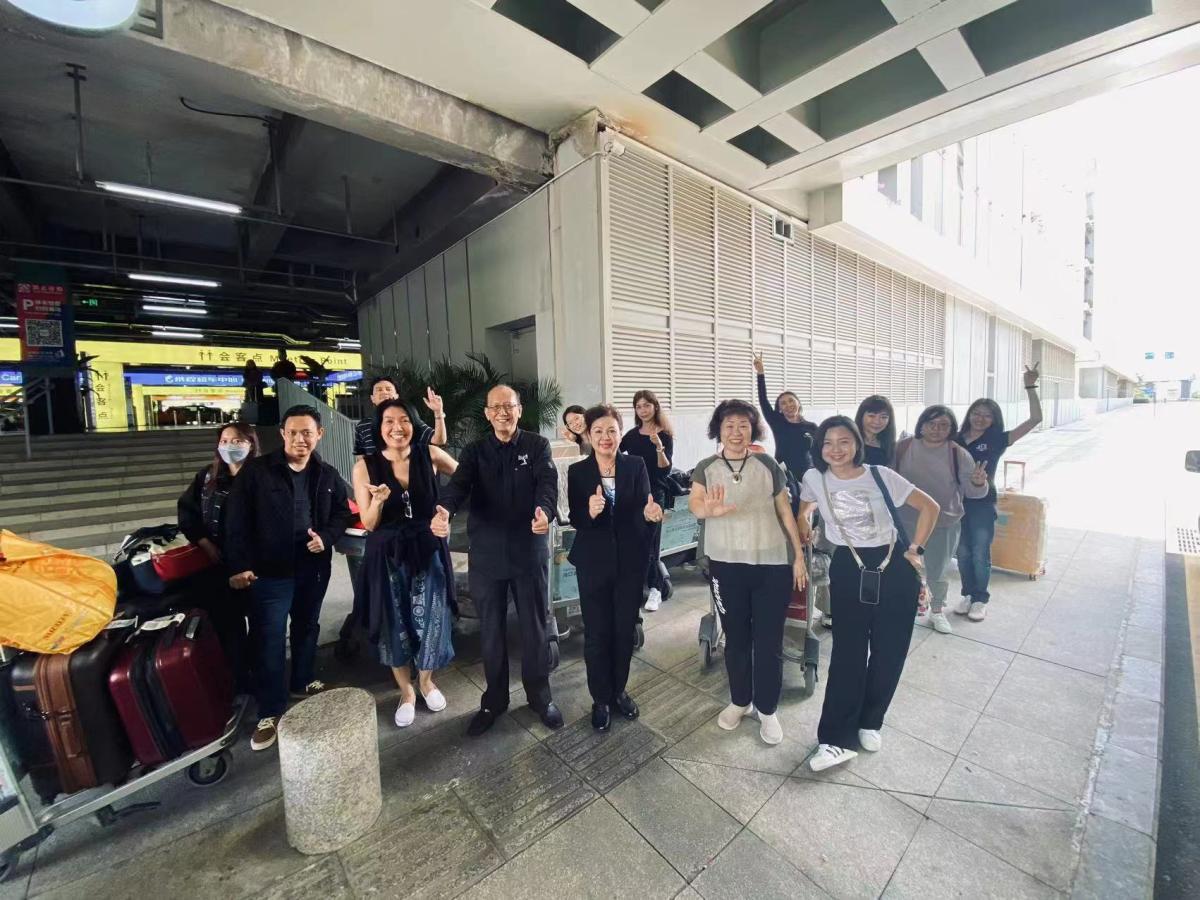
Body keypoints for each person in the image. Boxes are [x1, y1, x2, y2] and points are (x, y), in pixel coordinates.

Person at [798, 416, 939, 771]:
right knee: (848, 651)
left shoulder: (880, 475)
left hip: (893, 564)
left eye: (844, 441)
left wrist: (917, 548)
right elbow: (805, 508)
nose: (836, 449)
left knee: (890, 651)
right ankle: (835, 739)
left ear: (857, 444)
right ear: (819, 447)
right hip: (849, 565)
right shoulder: (814, 478)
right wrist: (804, 523)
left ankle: (871, 721)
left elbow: (930, 507)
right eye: (828, 442)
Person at [431, 385, 563, 735]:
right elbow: (457, 486)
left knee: (534, 627)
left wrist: (545, 511)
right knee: (491, 631)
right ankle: (494, 701)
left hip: (528, 550)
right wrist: (444, 510)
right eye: (496, 407)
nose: (503, 412)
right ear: (487, 414)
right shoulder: (475, 451)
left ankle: (540, 697)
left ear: (519, 410)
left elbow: (547, 483)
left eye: (509, 406)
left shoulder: (537, 445)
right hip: (487, 554)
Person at [225, 405, 353, 752]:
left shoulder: (327, 474)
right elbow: (235, 520)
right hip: (269, 572)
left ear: (319, 435)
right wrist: (239, 565)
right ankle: (270, 710)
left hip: (313, 567)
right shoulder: (257, 472)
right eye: (293, 432)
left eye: (307, 432)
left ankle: (303, 680)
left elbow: (342, 513)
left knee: (307, 626)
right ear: (282, 434)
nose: (300, 439)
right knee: (268, 637)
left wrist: (326, 537)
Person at [689, 399, 808, 746]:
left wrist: (798, 557)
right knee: (736, 639)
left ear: (753, 429)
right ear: (719, 430)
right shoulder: (706, 468)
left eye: (743, 425)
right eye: (729, 426)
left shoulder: (767, 464)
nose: (736, 432)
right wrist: (707, 510)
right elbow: (695, 503)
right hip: (726, 566)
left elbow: (785, 513)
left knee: (769, 641)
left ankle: (767, 709)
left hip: (772, 564)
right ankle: (740, 700)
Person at [353, 399, 459, 728]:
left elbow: (464, 481)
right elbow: (369, 523)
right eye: (389, 421)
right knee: (393, 623)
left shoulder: (430, 454)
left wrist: (447, 512)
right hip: (388, 557)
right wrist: (378, 502)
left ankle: (426, 681)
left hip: (428, 549)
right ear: (379, 427)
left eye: (404, 420)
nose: (397, 427)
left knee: (433, 617)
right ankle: (406, 692)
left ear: (414, 424)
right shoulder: (365, 467)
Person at [568, 404, 662, 731]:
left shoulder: (635, 465)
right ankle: (600, 699)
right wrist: (590, 511)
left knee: (624, 631)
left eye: (611, 430)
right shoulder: (578, 472)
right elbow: (576, 519)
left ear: (621, 433)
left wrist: (650, 516)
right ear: (588, 435)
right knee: (597, 634)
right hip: (593, 564)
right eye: (598, 431)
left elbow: (644, 508)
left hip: (629, 564)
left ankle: (619, 691)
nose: (605, 437)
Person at [953, 364, 1044, 621]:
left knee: (980, 552)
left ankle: (980, 599)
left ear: (994, 419)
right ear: (969, 414)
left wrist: (1030, 386)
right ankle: (968, 594)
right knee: (962, 553)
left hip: (982, 503)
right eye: (976, 413)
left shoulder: (996, 440)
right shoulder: (955, 439)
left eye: (987, 415)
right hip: (956, 503)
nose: (980, 418)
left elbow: (1035, 420)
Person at [177, 422, 260, 691]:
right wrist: (204, 542)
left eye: (237, 441)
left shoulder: (263, 478)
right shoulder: (207, 478)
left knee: (261, 625)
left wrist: (248, 565)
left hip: (255, 567)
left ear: (251, 444)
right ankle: (238, 680)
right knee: (228, 627)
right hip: (218, 567)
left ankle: (260, 675)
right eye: (225, 441)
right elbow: (187, 512)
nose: (230, 446)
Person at [895, 406, 989, 635]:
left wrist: (978, 483)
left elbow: (974, 493)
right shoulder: (903, 447)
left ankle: (936, 611)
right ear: (921, 425)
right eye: (931, 424)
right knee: (903, 569)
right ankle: (903, 608)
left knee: (938, 570)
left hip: (943, 523)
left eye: (943, 425)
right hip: (906, 522)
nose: (936, 429)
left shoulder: (958, 454)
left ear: (952, 429)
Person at [619, 390, 674, 612]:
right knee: (635, 543)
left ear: (655, 407)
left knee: (651, 544)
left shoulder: (665, 435)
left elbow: (665, 469)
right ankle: (639, 585)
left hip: (654, 494)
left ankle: (656, 589)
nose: (643, 410)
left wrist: (659, 447)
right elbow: (613, 453)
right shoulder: (632, 435)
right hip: (632, 495)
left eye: (647, 405)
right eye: (639, 406)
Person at [753, 352, 816, 483]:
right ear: (780, 409)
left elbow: (819, 451)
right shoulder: (777, 422)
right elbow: (763, 400)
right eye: (783, 403)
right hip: (783, 476)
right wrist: (760, 373)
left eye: (791, 401)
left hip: (808, 475)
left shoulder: (811, 427)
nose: (788, 405)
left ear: (798, 403)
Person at [354, 378, 447, 460]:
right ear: (372, 398)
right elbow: (361, 456)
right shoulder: (362, 426)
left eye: (388, 389)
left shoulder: (410, 419)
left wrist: (438, 412)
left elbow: (439, 440)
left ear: (396, 396)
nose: (384, 392)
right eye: (379, 390)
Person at [855, 395, 898, 467]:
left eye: (883, 417)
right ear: (861, 416)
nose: (877, 421)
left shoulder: (890, 445)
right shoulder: (851, 440)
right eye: (871, 416)